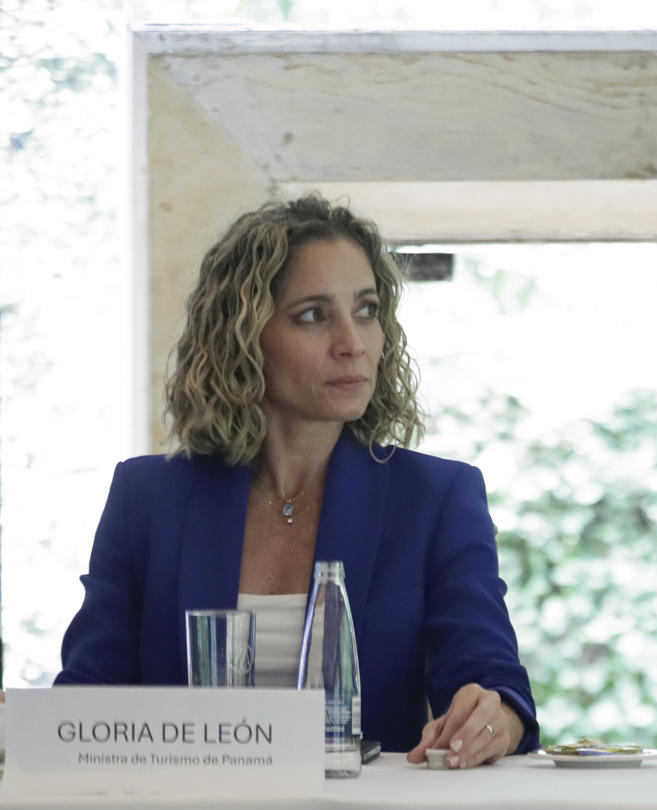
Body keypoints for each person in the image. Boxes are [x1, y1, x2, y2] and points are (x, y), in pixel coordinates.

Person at [57, 195, 537, 769]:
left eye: (366, 310)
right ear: (243, 335)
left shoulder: (436, 498)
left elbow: (491, 676)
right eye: (313, 315)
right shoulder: (148, 498)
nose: (352, 343)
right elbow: (88, 699)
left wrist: (494, 716)